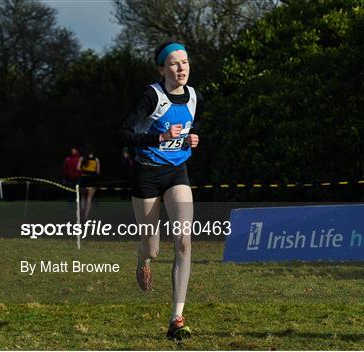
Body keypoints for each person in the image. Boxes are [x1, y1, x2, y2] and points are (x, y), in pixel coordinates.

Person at [115, 40, 203, 341]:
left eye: (185, 62)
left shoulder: (194, 97)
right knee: (152, 246)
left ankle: (177, 317)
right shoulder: (152, 97)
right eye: (175, 63)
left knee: (183, 241)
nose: (182, 68)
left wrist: (192, 139)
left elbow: (192, 128)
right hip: (147, 175)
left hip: (177, 173)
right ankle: (143, 260)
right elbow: (122, 134)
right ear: (162, 69)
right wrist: (159, 137)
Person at [77, 145, 100, 221]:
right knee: (89, 198)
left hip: (84, 179)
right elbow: (98, 172)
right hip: (92, 180)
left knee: (83, 196)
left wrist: (84, 170)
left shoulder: (82, 158)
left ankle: (82, 209)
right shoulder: (96, 160)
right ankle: (86, 216)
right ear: (92, 152)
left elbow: (78, 168)